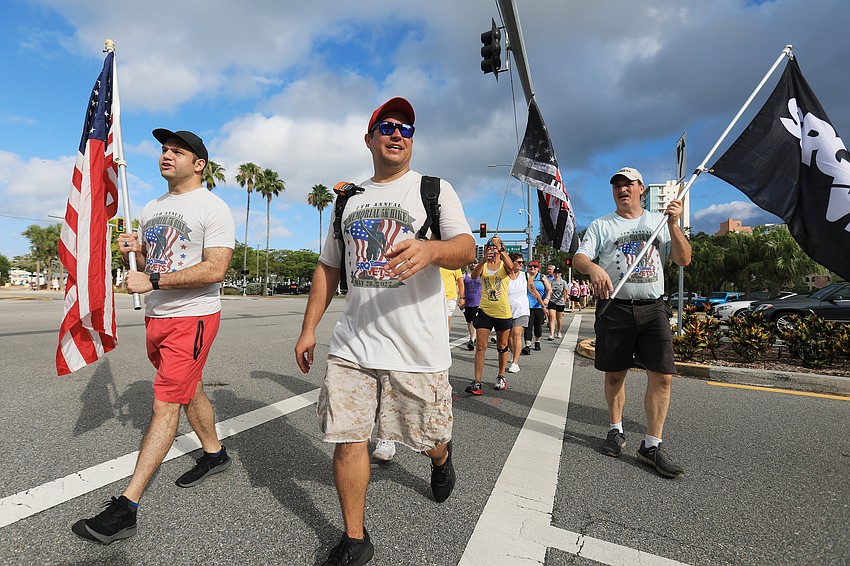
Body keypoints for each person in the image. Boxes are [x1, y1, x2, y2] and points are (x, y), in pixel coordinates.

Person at [294, 97, 474, 565]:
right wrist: (309, 329)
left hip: (417, 347)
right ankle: (355, 539)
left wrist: (433, 251)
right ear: (370, 137)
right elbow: (328, 267)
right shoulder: (348, 199)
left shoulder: (433, 190)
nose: (399, 135)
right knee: (347, 437)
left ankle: (440, 456)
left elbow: (466, 248)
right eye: (388, 127)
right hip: (353, 343)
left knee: (426, 436)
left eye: (407, 129)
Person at [72, 129, 236, 544]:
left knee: (165, 405)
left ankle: (127, 508)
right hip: (157, 317)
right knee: (188, 387)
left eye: (177, 151)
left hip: (192, 318)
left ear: (198, 164)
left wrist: (154, 278)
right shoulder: (151, 206)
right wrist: (137, 251)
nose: (166, 155)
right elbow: (156, 257)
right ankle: (215, 454)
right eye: (164, 149)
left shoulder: (213, 208)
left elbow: (215, 269)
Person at [573, 166, 691, 479]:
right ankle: (615, 429)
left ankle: (652, 445)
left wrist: (675, 225)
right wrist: (594, 269)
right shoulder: (602, 225)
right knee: (614, 376)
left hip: (654, 308)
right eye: (617, 186)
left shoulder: (659, 222)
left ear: (641, 189)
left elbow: (683, 259)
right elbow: (579, 258)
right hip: (616, 309)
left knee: (663, 376)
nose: (623, 190)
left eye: (629, 185)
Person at [467, 236, 513, 393]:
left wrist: (501, 249)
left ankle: (501, 376)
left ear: (501, 249)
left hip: (502, 312)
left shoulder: (504, 265)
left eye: (495, 246)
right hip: (485, 310)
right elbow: (473, 276)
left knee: (502, 346)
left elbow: (512, 268)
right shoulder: (484, 265)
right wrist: (482, 261)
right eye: (489, 246)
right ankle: (477, 381)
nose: (492, 248)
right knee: (480, 346)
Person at [506, 253, 544, 373]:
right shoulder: (504, 276)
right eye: (519, 262)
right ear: (511, 262)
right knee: (508, 338)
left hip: (521, 310)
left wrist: (543, 305)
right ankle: (513, 354)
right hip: (506, 310)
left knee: (517, 334)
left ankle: (515, 363)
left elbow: (534, 291)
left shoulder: (526, 276)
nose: (522, 264)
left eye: (522, 262)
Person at [522, 260, 551, 353]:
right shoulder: (525, 277)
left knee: (537, 325)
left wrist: (547, 298)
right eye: (530, 267)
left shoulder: (542, 277)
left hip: (539, 305)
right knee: (528, 325)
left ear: (538, 268)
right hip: (527, 305)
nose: (532, 269)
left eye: (535, 267)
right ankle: (527, 345)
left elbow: (549, 290)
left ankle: (537, 341)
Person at [462, 260, 483, 351]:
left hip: (478, 302)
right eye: (472, 263)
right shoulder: (465, 276)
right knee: (469, 322)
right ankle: (472, 337)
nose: (473, 264)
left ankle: (472, 339)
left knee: (474, 321)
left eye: (475, 262)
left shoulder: (481, 275)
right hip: (468, 303)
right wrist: (461, 299)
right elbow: (460, 288)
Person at [440, 267, 465, 331]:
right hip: (436, 297)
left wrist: (462, 297)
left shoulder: (454, 263)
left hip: (450, 297)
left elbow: (460, 281)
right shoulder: (436, 262)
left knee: (446, 319)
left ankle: (445, 340)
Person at [547, 267, 567, 339]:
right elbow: (548, 290)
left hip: (560, 302)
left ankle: (559, 331)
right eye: (555, 272)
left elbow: (565, 292)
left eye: (558, 273)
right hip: (552, 301)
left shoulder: (563, 282)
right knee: (552, 317)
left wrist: (564, 301)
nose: (556, 274)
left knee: (559, 319)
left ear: (560, 274)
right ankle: (551, 334)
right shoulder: (551, 282)